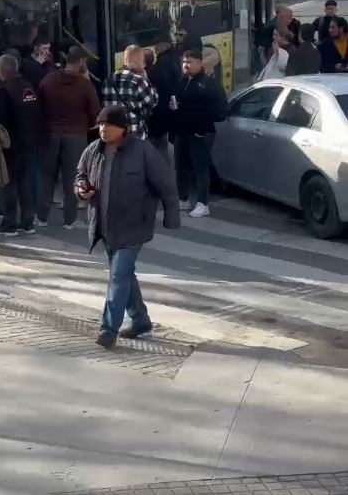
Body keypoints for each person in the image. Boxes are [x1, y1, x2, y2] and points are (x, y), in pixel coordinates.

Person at [75, 105, 180, 349]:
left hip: (134, 226)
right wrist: (81, 189)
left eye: (107, 125)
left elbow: (166, 185)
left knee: (118, 275)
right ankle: (141, 322)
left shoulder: (143, 151)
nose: (102, 129)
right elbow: (79, 175)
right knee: (124, 276)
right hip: (105, 226)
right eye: (100, 125)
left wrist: (171, 217)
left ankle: (109, 329)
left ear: (123, 128)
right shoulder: (93, 150)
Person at [37, 46, 100, 229]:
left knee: (46, 176)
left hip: (51, 134)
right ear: (81, 62)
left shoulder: (48, 80)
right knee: (72, 177)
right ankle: (69, 220)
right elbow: (95, 112)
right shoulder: (84, 85)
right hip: (75, 135)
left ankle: (41, 217)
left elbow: (38, 106)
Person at [174, 49, 227, 219]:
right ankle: (183, 198)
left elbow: (220, 111)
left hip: (200, 133)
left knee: (200, 168)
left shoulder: (208, 84)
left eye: (189, 62)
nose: (185, 65)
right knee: (181, 166)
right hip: (182, 132)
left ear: (199, 63)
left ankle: (203, 203)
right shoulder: (182, 82)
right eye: (183, 62)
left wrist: (202, 128)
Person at [0, 54, 40, 237]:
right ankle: (28, 222)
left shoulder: (4, 91)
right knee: (26, 182)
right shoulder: (28, 87)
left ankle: (9, 223)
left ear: (3, 70)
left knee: (8, 183)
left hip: (11, 145)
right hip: (29, 142)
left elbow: (1, 121)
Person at [102, 45, 158, 138]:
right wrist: (146, 78)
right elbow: (153, 101)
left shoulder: (108, 81)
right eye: (143, 61)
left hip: (113, 133)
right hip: (134, 133)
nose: (144, 65)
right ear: (136, 60)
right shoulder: (138, 80)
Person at [146, 34, 182, 157]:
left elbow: (160, 81)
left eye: (157, 45)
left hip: (162, 108)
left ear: (165, 45)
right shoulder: (174, 57)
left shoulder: (163, 62)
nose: (155, 48)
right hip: (170, 106)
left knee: (158, 143)